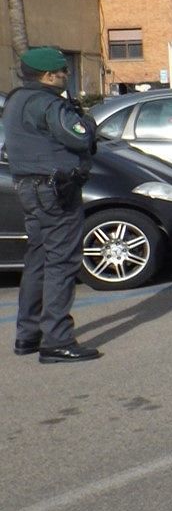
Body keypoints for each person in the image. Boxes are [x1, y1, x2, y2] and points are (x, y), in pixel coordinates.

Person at [4, 48, 100, 363]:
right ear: (48, 76)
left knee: (39, 259)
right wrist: (85, 120)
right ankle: (57, 341)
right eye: (63, 72)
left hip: (28, 188)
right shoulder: (49, 104)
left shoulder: (15, 100)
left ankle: (28, 335)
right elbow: (79, 138)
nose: (66, 76)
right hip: (55, 191)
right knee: (61, 262)